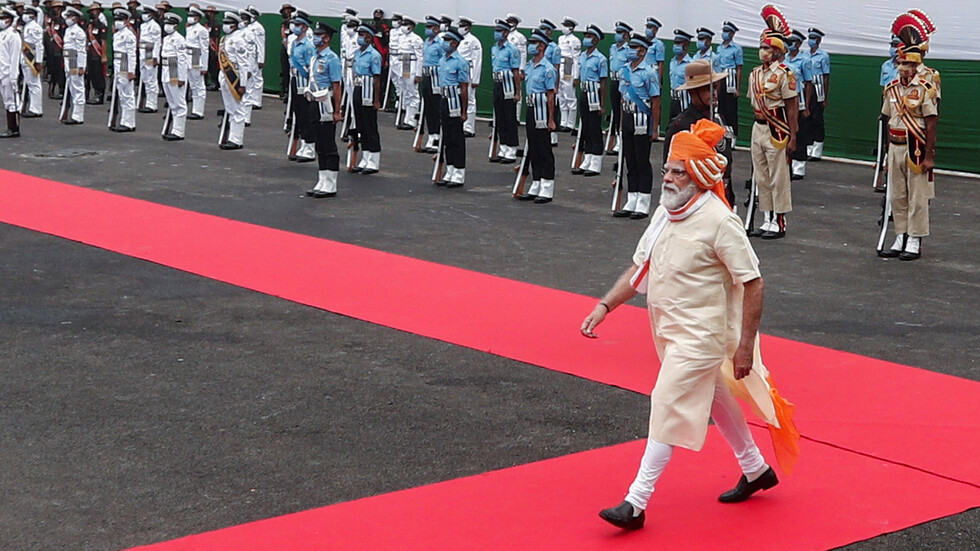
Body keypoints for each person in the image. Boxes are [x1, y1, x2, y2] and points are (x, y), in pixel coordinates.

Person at [583, 119, 782, 531]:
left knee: (667, 400)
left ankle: (635, 503)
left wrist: (744, 346)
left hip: (702, 337)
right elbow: (641, 270)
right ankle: (756, 467)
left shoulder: (720, 220)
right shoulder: (665, 212)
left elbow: (754, 282)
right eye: (668, 169)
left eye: (678, 170)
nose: (668, 177)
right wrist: (605, 306)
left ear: (699, 176)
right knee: (716, 398)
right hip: (669, 333)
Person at [878, 13, 938, 261]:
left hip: (915, 145)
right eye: (901, 63)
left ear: (916, 67)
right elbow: (885, 119)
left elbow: (931, 122)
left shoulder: (925, 88)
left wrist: (929, 155)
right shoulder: (891, 89)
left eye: (909, 64)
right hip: (895, 145)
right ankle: (900, 234)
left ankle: (915, 238)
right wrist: (883, 155)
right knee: (897, 194)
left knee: (917, 196)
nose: (904, 68)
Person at [749, 5, 798, 239]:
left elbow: (791, 107)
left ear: (777, 51)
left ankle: (779, 220)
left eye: (767, 48)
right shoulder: (755, 74)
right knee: (761, 176)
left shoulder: (786, 74)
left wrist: (794, 136)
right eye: (761, 47)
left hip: (777, 128)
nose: (762, 51)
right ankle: (766, 217)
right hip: (757, 126)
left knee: (778, 176)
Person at [664, 60, 734, 206]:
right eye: (707, 89)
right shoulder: (680, 126)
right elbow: (671, 173)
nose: (714, 93)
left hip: (722, 198)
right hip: (693, 202)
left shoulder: (718, 119)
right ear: (692, 91)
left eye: (715, 87)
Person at [613, 33, 660, 220]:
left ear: (642, 51)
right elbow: (622, 97)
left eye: (634, 48)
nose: (630, 51)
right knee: (629, 160)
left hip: (642, 119)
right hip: (628, 118)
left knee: (642, 160)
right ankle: (631, 198)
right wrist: (620, 123)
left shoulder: (649, 72)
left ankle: (643, 201)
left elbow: (655, 101)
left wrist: (655, 128)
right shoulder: (625, 70)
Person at [515, 29, 557, 204]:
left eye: (534, 44)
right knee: (533, 147)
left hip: (543, 111)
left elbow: (551, 95)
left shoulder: (548, 68)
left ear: (541, 46)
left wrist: (551, 119)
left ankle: (547, 187)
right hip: (532, 108)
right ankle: (536, 182)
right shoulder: (530, 66)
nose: (531, 46)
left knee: (544, 149)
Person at [304, 21, 343, 198]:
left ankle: (331, 182)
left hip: (326, 103)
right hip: (314, 102)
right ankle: (322, 179)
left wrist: (337, 110)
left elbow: (336, 86)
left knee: (328, 143)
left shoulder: (332, 59)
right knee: (319, 143)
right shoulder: (314, 57)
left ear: (327, 38)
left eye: (320, 35)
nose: (317, 38)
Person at [434, 27, 469, 187]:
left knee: (456, 138)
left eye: (448, 40)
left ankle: (459, 172)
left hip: (455, 100)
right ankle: (450, 169)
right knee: (446, 137)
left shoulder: (460, 62)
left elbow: (463, 87)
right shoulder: (442, 60)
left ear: (455, 43)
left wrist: (463, 111)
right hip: (443, 99)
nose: (445, 43)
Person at [572, 23, 606, 176]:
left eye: (589, 36)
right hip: (584, 92)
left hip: (594, 93)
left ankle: (596, 162)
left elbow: (604, 82)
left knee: (594, 128)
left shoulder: (600, 59)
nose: (586, 39)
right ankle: (588, 157)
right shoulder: (582, 56)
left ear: (596, 40)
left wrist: (602, 104)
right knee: (585, 126)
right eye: (585, 36)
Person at [350, 23, 382, 174]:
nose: (360, 38)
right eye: (359, 34)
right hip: (358, 88)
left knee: (370, 126)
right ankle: (365, 156)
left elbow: (376, 78)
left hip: (369, 91)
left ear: (369, 38)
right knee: (361, 125)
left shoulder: (374, 55)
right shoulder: (357, 53)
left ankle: (374, 160)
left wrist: (376, 99)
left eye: (362, 35)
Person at [489, 18, 520, 163]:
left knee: (509, 117)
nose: (497, 33)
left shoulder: (512, 49)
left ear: (506, 33)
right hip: (497, 83)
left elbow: (516, 72)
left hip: (508, 84)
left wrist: (517, 92)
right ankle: (503, 147)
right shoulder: (494, 48)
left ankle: (512, 149)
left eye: (499, 31)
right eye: (496, 30)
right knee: (500, 117)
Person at [217, 10, 248, 149]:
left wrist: (243, 84)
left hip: (234, 75)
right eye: (225, 23)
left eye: (228, 23)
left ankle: (236, 139)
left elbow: (243, 63)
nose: (225, 26)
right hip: (224, 75)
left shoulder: (239, 40)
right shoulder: (225, 39)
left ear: (235, 25)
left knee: (238, 109)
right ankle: (230, 136)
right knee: (230, 108)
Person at [287, 9, 315, 162]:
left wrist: (310, 88)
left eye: (298, 25)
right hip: (295, 80)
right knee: (299, 114)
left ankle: (310, 147)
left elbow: (311, 68)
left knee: (307, 115)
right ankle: (304, 145)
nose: (295, 27)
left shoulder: (308, 46)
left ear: (304, 27)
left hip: (305, 84)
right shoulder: (295, 43)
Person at [785, 30, 814, 181]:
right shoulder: (784, 59)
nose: (788, 45)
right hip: (786, 100)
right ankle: (787, 165)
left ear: (798, 44)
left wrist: (807, 106)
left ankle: (799, 166)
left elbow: (809, 84)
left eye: (791, 42)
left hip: (800, 99)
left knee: (799, 133)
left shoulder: (804, 60)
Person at [390, 14, 422, 131]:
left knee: (412, 92)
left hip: (411, 64)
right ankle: (407, 118)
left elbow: (420, 57)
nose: (403, 27)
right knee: (405, 93)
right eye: (402, 24)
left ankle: (412, 119)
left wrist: (418, 74)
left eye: (406, 25)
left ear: (412, 27)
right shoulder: (401, 38)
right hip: (403, 64)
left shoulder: (416, 39)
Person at [159, 10, 187, 140]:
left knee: (178, 102)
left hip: (174, 69)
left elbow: (182, 59)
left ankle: (178, 131)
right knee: (171, 102)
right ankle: (173, 128)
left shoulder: (179, 39)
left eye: (170, 24)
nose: (167, 26)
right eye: (166, 24)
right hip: (165, 69)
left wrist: (181, 78)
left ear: (175, 26)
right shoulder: (166, 38)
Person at [802, 27, 829, 161]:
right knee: (806, 119)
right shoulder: (804, 55)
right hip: (806, 88)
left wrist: (825, 96)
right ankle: (808, 147)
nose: (811, 41)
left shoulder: (823, 56)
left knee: (817, 119)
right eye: (810, 38)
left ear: (819, 40)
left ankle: (817, 150)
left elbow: (826, 77)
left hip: (818, 89)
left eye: (814, 38)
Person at [108, 5, 136, 132]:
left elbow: (131, 54)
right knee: (121, 95)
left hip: (125, 63)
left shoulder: (129, 35)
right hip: (118, 64)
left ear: (126, 21)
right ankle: (123, 120)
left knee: (127, 95)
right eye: (116, 20)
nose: (117, 22)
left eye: (120, 20)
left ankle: (129, 123)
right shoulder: (117, 34)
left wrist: (131, 71)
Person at [418, 15, 442, 153]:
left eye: (430, 27)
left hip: (436, 77)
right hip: (426, 76)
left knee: (436, 107)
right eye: (426, 26)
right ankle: (431, 134)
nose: (427, 29)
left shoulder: (440, 44)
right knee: (428, 107)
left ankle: (437, 136)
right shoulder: (426, 42)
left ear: (436, 28)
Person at [715, 21, 743, 137]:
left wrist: (738, 88)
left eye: (727, 31)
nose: (724, 33)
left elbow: (739, 69)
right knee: (720, 108)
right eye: (724, 31)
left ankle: (732, 136)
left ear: (732, 34)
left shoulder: (737, 48)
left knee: (730, 109)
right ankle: (721, 134)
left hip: (730, 78)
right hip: (720, 77)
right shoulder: (719, 48)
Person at [606, 21, 631, 154]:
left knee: (623, 112)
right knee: (616, 111)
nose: (617, 35)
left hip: (624, 83)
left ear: (626, 35)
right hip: (613, 80)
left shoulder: (628, 50)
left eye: (620, 33)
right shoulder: (612, 48)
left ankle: (622, 141)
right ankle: (616, 138)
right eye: (616, 32)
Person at [456, 16, 481, 138]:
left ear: (468, 27)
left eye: (463, 26)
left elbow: (477, 61)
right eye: (459, 25)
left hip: (469, 72)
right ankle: (460, 124)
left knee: (470, 99)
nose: (460, 28)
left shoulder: (473, 41)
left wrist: (475, 79)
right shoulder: (457, 39)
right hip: (457, 72)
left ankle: (469, 127)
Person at [60, 4, 86, 123]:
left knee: (77, 87)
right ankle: (72, 113)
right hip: (68, 59)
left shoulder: (79, 32)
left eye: (69, 16)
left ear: (75, 18)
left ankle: (78, 115)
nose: (67, 18)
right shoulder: (68, 30)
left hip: (74, 59)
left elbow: (81, 50)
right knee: (71, 86)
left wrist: (81, 66)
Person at [556, 16, 580, 133]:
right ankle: (563, 122)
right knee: (561, 96)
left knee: (569, 95)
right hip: (559, 65)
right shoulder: (560, 38)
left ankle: (571, 124)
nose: (563, 28)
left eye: (566, 26)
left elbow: (576, 59)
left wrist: (576, 76)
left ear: (571, 28)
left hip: (568, 65)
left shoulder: (575, 40)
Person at [19, 5, 44, 117]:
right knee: (29, 83)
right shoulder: (27, 26)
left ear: (32, 15)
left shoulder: (35, 27)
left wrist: (39, 61)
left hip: (32, 57)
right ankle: (28, 106)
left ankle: (36, 109)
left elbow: (39, 45)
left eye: (26, 13)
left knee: (34, 84)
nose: (24, 15)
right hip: (25, 57)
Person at [184, 6, 208, 119]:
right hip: (187, 57)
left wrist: (204, 66)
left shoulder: (202, 30)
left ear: (198, 18)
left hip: (196, 58)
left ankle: (199, 111)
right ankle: (194, 109)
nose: (189, 18)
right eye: (189, 16)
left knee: (198, 85)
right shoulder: (189, 28)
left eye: (192, 16)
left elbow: (204, 49)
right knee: (192, 85)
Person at [0, 6, 20, 137]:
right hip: (1, 72)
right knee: (6, 100)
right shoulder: (2, 34)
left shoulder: (13, 36)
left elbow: (14, 57)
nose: (1, 21)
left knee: (11, 101)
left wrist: (14, 76)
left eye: (3, 18)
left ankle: (14, 128)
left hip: (8, 73)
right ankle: (10, 127)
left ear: (9, 20)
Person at [137, 3, 161, 112]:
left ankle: (152, 104)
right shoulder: (143, 25)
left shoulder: (155, 26)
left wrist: (156, 57)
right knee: (145, 79)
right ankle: (147, 102)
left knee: (151, 79)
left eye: (146, 13)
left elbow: (157, 42)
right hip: (142, 51)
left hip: (149, 51)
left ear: (151, 14)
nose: (144, 15)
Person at [83, 1, 106, 104]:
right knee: (90, 74)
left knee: (98, 74)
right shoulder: (89, 25)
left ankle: (99, 95)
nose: (93, 13)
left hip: (98, 53)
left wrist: (104, 55)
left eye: (95, 11)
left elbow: (104, 42)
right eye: (92, 11)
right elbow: (87, 39)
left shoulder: (102, 26)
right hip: (90, 53)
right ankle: (90, 93)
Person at [667, 29, 692, 119]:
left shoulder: (690, 64)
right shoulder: (672, 62)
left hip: (685, 100)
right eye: (675, 43)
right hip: (674, 99)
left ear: (686, 45)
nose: (676, 46)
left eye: (679, 43)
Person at [244, 5, 264, 111]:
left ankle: (257, 101)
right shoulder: (247, 26)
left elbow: (260, 44)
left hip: (255, 57)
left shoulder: (258, 27)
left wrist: (261, 59)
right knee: (249, 79)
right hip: (246, 56)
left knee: (257, 78)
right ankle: (250, 99)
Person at [277, 3, 294, 98]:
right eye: (284, 10)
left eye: (288, 10)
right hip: (285, 48)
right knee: (284, 68)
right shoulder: (284, 24)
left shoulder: (294, 23)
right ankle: (285, 89)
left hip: (293, 48)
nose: (286, 12)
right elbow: (283, 35)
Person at [204, 5, 219, 90]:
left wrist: (216, 50)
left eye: (210, 12)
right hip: (206, 47)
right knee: (206, 65)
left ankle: (214, 83)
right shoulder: (205, 24)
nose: (208, 14)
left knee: (213, 67)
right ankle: (205, 82)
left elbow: (216, 38)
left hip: (212, 48)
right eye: (207, 12)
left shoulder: (216, 24)